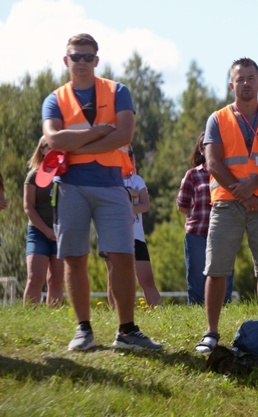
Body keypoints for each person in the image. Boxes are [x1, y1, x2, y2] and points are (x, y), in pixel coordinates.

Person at [41, 33, 161, 351]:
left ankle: (127, 331)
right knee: (74, 259)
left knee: (123, 256)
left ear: (97, 59)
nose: (81, 62)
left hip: (112, 185)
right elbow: (53, 141)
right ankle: (83, 331)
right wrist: (96, 132)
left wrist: (75, 140)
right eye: (75, 56)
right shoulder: (54, 99)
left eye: (88, 56)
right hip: (69, 187)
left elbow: (124, 134)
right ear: (65, 60)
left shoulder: (118, 91)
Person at [195, 58, 258, 353]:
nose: (246, 83)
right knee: (217, 269)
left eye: (251, 78)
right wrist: (243, 194)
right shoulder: (217, 119)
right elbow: (212, 163)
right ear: (231, 84)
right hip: (227, 203)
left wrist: (252, 188)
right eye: (240, 78)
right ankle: (211, 333)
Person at [177, 133, 234, 305]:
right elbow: (182, 205)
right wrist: (198, 215)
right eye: (206, 146)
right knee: (196, 277)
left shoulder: (229, 174)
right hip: (197, 233)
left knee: (224, 275)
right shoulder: (192, 175)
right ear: (201, 150)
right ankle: (195, 311)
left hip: (223, 232)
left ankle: (224, 309)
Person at [106, 147, 162, 307]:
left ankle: (160, 314)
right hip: (113, 234)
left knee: (146, 279)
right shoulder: (108, 179)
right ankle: (114, 315)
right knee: (113, 277)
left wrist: (128, 205)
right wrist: (131, 194)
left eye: (128, 156)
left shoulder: (137, 180)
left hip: (136, 236)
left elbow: (145, 205)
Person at [22, 136, 64, 306]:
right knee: (35, 278)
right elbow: (28, 207)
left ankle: (52, 320)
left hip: (60, 233)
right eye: (49, 147)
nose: (53, 150)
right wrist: (47, 231)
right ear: (42, 149)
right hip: (38, 233)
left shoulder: (64, 175)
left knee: (55, 280)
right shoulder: (33, 176)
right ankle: (29, 319)